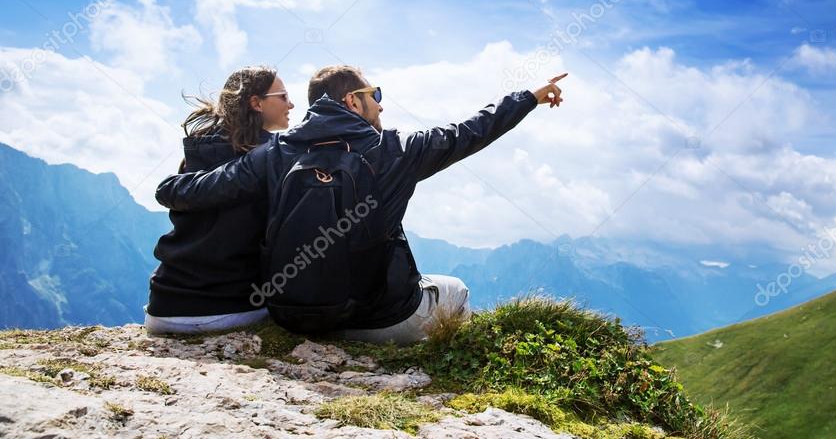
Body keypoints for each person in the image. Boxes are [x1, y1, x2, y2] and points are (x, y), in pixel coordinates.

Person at [155, 65, 567, 344]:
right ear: (353, 101)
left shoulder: (275, 151)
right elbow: (471, 132)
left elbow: (205, 188)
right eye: (376, 94)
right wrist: (528, 97)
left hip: (291, 314)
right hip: (376, 317)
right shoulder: (398, 149)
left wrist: (171, 184)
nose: (382, 103)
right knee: (456, 290)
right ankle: (454, 362)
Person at [145, 66, 295, 334]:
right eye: (283, 96)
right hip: (226, 309)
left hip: (162, 308)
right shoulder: (275, 160)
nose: (291, 104)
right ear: (256, 103)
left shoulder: (196, 153)